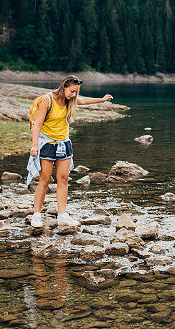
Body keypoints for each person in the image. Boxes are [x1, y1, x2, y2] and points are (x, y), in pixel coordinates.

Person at [27, 75, 113, 228]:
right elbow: (37, 124)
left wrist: (102, 99)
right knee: (45, 180)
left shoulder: (70, 100)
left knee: (63, 179)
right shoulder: (48, 100)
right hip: (47, 144)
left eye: (76, 92)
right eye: (72, 91)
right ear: (64, 87)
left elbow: (84, 101)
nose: (74, 95)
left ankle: (62, 215)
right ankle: (37, 215)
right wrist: (35, 146)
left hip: (64, 144)